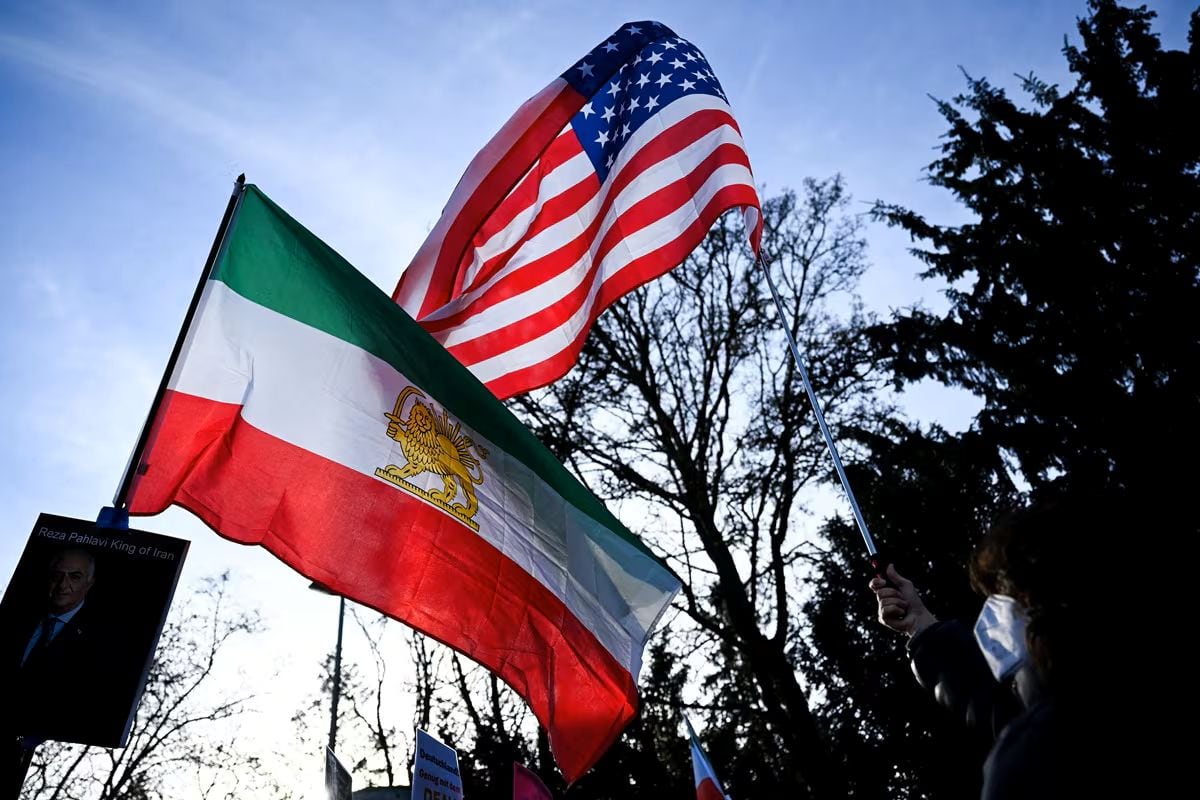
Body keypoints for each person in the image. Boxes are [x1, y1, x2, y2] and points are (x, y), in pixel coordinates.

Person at [869, 501, 1102, 799]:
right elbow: (990, 697)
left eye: (1005, 596)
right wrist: (919, 624)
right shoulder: (1044, 725)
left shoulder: (1030, 760)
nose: (994, 615)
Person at [3, 548, 114, 745]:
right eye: (57, 575)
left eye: (75, 577)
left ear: (90, 583)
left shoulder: (103, 643)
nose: (63, 585)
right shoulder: (13, 621)